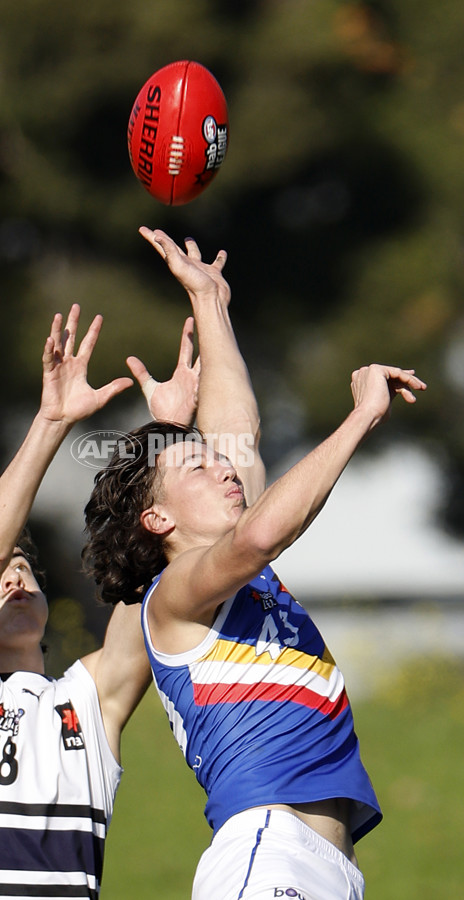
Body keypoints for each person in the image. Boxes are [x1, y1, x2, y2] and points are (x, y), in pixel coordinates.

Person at [83, 228, 427, 900]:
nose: (221, 462)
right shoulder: (176, 591)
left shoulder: (232, 571)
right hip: (269, 854)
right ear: (159, 522)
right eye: (196, 463)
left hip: (324, 866)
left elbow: (238, 431)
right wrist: (360, 418)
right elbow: (263, 533)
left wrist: (210, 302)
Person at [0, 303, 198, 900]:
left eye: (25, 569)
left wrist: (167, 440)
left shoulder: (90, 699)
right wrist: (52, 421)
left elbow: (158, 568)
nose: (13, 579)